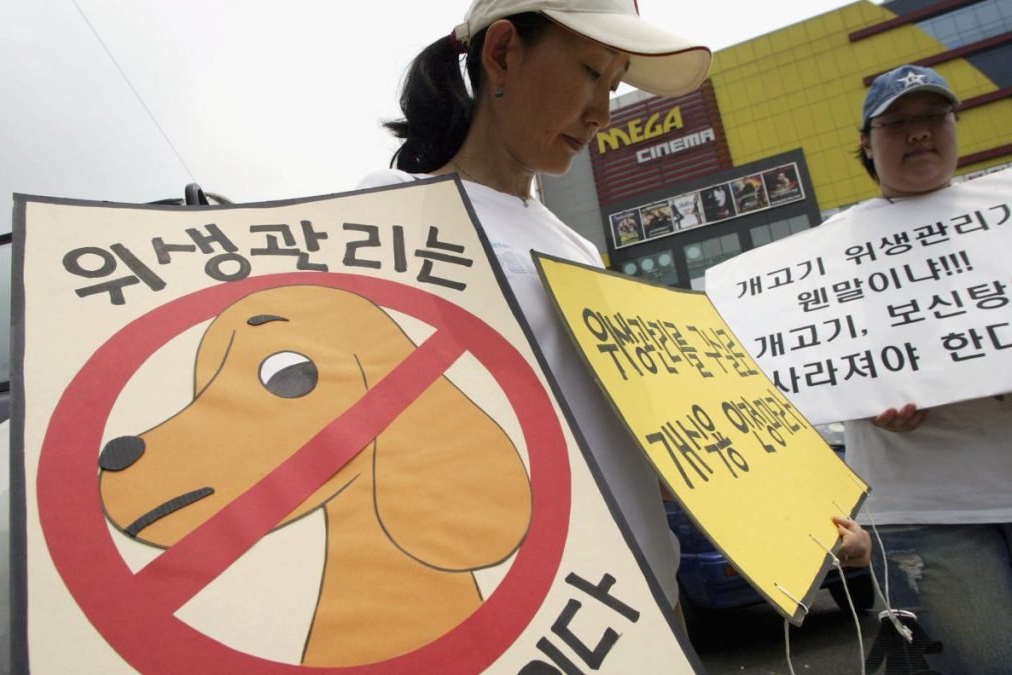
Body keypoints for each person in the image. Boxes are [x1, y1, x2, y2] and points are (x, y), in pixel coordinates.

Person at [359, 0, 870, 634]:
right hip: (502, 617)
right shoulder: (381, 224)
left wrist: (797, 512)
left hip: (647, 601)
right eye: (590, 71)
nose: (602, 112)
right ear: (502, 54)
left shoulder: (578, 252)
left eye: (615, 82)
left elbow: (638, 446)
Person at [831, 64, 1012, 673]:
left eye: (933, 117)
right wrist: (865, 401)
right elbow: (815, 366)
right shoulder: (829, 247)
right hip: (926, 512)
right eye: (898, 123)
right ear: (867, 142)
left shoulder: (1004, 210)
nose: (918, 134)